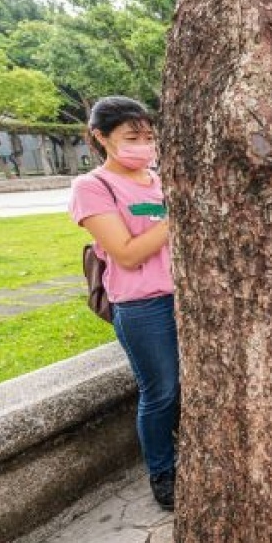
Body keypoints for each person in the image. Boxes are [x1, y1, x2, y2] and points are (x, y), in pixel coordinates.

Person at [69, 97, 178, 511]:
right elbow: (127, 252)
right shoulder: (93, 187)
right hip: (143, 307)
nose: (143, 145)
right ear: (101, 137)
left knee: (190, 388)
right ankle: (163, 472)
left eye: (149, 137)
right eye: (132, 137)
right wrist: (177, 217)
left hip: (184, 300)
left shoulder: (159, 180)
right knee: (162, 390)